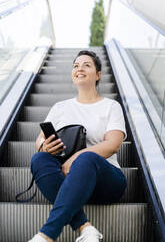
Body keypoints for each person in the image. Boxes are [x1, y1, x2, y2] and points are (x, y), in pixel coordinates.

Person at [28, 50, 127, 242]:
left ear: (98, 75)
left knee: (87, 157)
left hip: (106, 182)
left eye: (86, 65)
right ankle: (85, 227)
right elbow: (39, 140)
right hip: (67, 182)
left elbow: (113, 144)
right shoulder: (60, 107)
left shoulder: (111, 106)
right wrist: (45, 147)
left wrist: (77, 157)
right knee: (39, 158)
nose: (79, 68)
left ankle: (47, 235)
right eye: (75, 66)